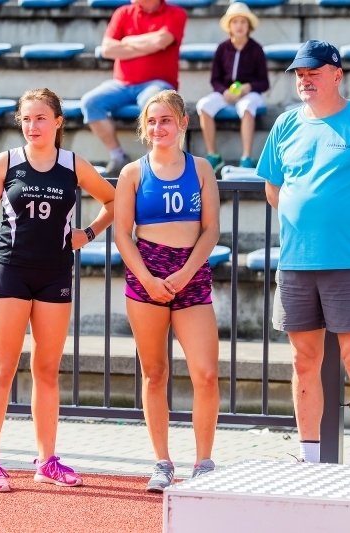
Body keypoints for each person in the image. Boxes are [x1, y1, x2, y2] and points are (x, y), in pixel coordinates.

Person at [255, 40, 350, 467]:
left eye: (313, 73)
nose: (304, 80)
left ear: (337, 74)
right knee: (303, 361)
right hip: (295, 263)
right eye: (300, 74)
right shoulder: (285, 124)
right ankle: (308, 458)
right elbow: (273, 188)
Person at [0, 87, 115, 492]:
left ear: (58, 122)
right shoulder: (7, 162)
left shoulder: (73, 164)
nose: (32, 126)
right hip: (11, 272)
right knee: (2, 369)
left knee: (46, 371)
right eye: (26, 118)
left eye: (40, 118)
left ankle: (47, 461)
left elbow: (113, 200)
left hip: (54, 274)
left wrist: (88, 233)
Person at [114, 90, 220, 492]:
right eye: (152, 121)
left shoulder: (202, 169)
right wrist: (148, 278)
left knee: (206, 374)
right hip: (147, 275)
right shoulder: (133, 173)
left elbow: (211, 230)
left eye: (166, 120)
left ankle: (204, 461)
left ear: (182, 124)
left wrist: (185, 272)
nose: (159, 128)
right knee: (154, 373)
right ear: (144, 127)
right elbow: (123, 234)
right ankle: (162, 462)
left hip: (191, 275)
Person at [80, 0, 187, 178]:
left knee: (154, 105)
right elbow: (107, 49)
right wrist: (149, 46)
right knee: (90, 102)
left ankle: (154, 162)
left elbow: (161, 41)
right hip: (121, 84)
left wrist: (126, 42)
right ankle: (117, 156)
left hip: (157, 83)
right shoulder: (123, 12)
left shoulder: (176, 13)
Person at [196, 2, 269, 174]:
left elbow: (264, 83)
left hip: (250, 93)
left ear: (249, 26)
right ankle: (213, 154)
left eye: (243, 22)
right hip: (226, 92)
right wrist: (224, 91)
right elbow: (215, 79)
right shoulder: (222, 49)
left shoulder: (256, 49)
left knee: (246, 107)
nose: (239, 26)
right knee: (204, 105)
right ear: (229, 26)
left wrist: (248, 87)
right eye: (235, 22)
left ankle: (246, 157)